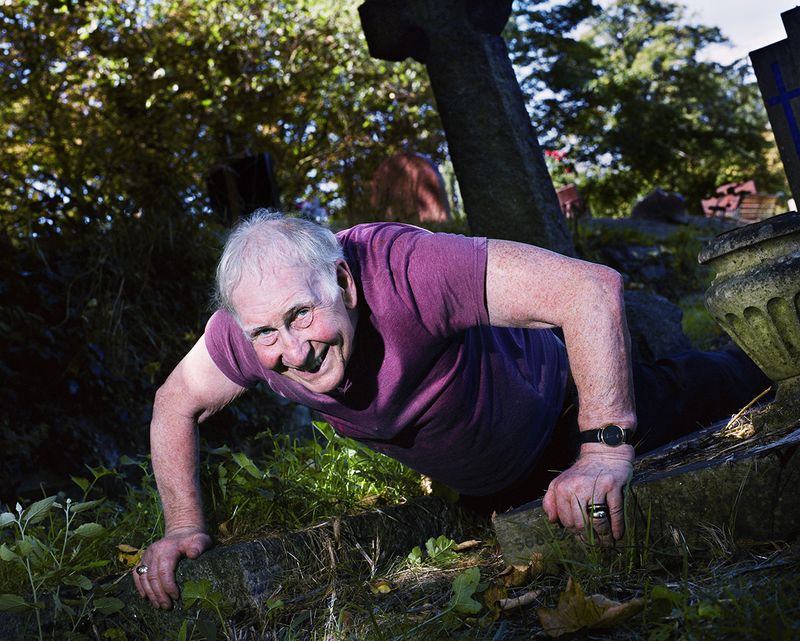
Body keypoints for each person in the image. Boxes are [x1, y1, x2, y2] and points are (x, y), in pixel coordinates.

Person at [133, 209, 769, 609]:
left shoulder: (404, 268)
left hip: (563, 408)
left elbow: (587, 286)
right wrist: (185, 528)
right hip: (495, 480)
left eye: (303, 314)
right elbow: (172, 404)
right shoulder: (244, 333)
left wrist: (603, 448)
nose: (293, 352)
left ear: (345, 284)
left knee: (730, 380)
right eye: (265, 332)